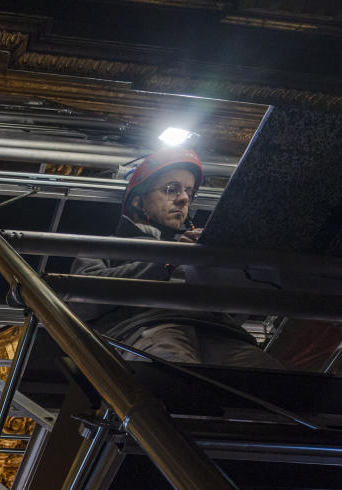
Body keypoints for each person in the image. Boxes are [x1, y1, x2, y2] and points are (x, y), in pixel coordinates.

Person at [71, 148, 282, 368]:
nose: (183, 199)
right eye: (171, 189)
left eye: (189, 192)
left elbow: (237, 305)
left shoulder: (192, 249)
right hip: (149, 329)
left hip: (222, 333)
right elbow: (81, 301)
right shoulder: (108, 247)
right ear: (137, 201)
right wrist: (168, 261)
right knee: (176, 381)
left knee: (273, 382)